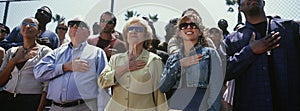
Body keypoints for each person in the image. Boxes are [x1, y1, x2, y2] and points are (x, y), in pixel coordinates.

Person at [223, 0, 300, 110]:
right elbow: (220, 73)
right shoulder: (232, 41)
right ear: (240, 7)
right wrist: (249, 51)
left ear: (263, 2)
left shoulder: (289, 29)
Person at [34, 17, 109, 111]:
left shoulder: (97, 53)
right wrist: (65, 67)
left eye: (80, 24)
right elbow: (38, 72)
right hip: (55, 107)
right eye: (71, 24)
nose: (74, 26)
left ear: (88, 32)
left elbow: (104, 85)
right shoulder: (57, 52)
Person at [98, 17, 168, 111]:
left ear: (145, 36)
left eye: (139, 30)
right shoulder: (115, 59)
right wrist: (125, 68)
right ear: (126, 35)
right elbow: (102, 82)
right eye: (130, 29)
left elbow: (159, 96)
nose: (134, 31)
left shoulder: (155, 60)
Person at [159, 14, 223, 111]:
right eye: (184, 26)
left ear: (200, 32)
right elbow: (162, 87)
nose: (188, 28)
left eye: (193, 25)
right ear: (179, 33)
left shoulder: (210, 54)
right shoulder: (172, 59)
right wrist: (179, 65)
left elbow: (216, 88)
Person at [0, 17, 52, 111]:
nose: (27, 26)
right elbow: (1, 81)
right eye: (24, 23)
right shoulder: (11, 52)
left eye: (32, 24)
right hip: (6, 98)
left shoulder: (45, 52)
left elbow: (47, 85)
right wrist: (14, 61)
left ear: (39, 32)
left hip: (30, 101)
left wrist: (40, 109)